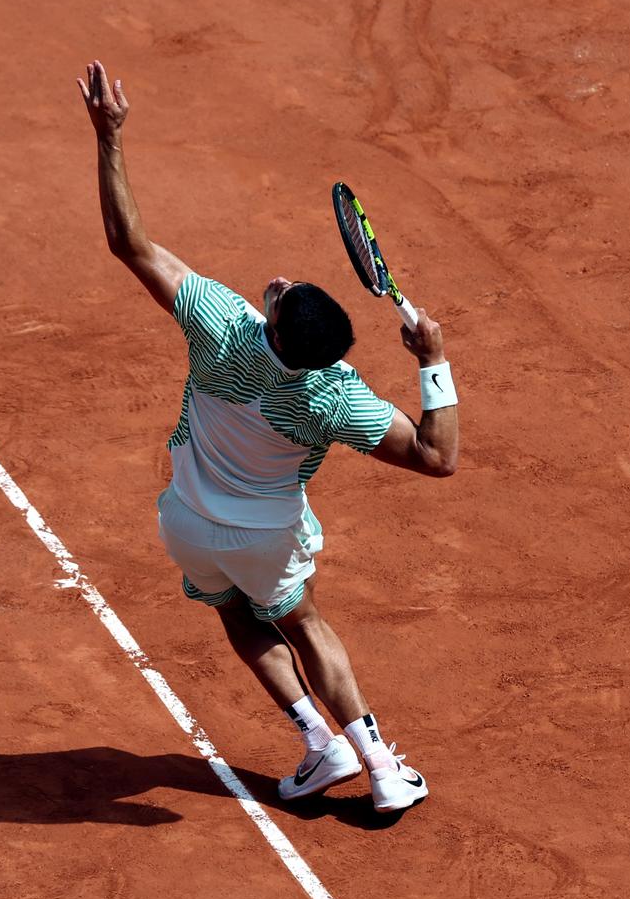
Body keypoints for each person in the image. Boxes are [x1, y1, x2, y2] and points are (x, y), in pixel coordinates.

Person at [76, 60, 461, 814]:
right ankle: (379, 766)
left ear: (277, 331)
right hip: (267, 538)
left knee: (234, 617)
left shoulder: (221, 328)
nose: (279, 285)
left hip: (187, 524)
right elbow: (437, 456)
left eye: (285, 299)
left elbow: (132, 245)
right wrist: (435, 363)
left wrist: (110, 135)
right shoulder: (333, 396)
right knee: (303, 621)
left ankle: (319, 747)